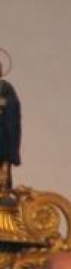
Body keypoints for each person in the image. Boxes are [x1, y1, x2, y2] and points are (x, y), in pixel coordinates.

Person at [0, 60, 21, 195]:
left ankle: (3, 187)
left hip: (2, 133)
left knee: (3, 163)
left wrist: (5, 104)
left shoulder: (7, 88)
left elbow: (13, 110)